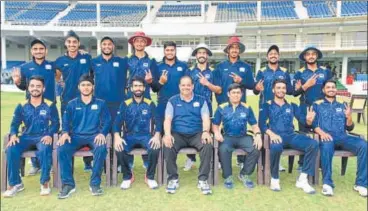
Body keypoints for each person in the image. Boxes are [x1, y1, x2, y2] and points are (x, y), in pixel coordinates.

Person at [307, 79, 367, 197]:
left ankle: (361, 184)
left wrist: (349, 117)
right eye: (328, 87)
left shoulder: (343, 104)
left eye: (333, 87)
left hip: (342, 137)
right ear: (323, 90)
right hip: (326, 137)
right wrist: (321, 133)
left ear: (336, 89)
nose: (331, 89)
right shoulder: (317, 104)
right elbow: (311, 125)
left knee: (364, 145)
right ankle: (327, 184)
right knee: (327, 144)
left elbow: (349, 127)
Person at [3, 76, 60, 197]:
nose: (35, 88)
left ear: (43, 89)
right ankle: (15, 184)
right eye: (32, 86)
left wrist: (49, 135)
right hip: (26, 137)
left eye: (38, 86)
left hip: (42, 136)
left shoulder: (50, 105)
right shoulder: (21, 105)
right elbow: (14, 123)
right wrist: (13, 135)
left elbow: (56, 123)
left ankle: (44, 182)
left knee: (45, 148)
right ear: (28, 88)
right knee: (11, 149)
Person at [259, 79, 318, 194]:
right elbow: (261, 124)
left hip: (291, 136)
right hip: (276, 136)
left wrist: (309, 120)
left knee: (313, 144)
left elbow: (303, 121)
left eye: (283, 88)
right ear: (273, 90)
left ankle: (302, 179)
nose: (281, 90)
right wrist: (272, 134)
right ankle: (275, 178)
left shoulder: (292, 105)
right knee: (275, 147)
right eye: (278, 88)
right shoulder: (267, 105)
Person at [57, 75, 111, 199]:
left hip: (94, 136)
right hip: (75, 136)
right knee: (62, 148)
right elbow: (65, 121)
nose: (86, 88)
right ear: (79, 87)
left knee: (101, 148)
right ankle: (68, 184)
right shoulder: (71, 104)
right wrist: (65, 132)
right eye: (83, 85)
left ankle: (95, 183)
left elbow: (107, 121)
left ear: (93, 87)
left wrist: (102, 133)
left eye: (88, 85)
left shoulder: (100, 103)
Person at [11, 39, 58, 175]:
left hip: (49, 104)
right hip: (32, 105)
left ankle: (48, 162)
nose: (38, 51)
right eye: (35, 49)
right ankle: (35, 164)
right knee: (31, 131)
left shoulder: (52, 65)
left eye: (41, 49)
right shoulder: (25, 67)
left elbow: (61, 73)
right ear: (32, 51)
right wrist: (18, 82)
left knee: (48, 133)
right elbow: (23, 86)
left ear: (46, 51)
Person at [163, 76, 213, 195]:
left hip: (197, 133)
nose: (186, 87)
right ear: (179, 86)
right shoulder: (172, 101)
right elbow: (168, 119)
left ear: (192, 86)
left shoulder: (201, 100)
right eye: (183, 85)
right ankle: (173, 179)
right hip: (178, 134)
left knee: (207, 145)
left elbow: (206, 117)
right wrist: (167, 134)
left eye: (188, 85)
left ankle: (203, 180)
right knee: (168, 145)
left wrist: (206, 131)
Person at [213, 36, 255, 168]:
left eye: (237, 48)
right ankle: (220, 160)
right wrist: (221, 103)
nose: (235, 50)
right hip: (224, 105)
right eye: (232, 47)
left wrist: (241, 81)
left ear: (240, 51)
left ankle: (241, 160)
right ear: (228, 50)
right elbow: (217, 88)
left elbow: (252, 85)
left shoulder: (246, 66)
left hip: (240, 104)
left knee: (240, 130)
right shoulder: (220, 67)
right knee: (222, 132)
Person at [55, 30, 94, 171]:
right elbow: (57, 77)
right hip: (67, 101)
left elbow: (93, 75)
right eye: (69, 42)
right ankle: (68, 163)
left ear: (78, 43)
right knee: (68, 130)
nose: (72, 44)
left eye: (74, 42)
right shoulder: (60, 61)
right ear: (65, 43)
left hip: (86, 100)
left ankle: (88, 161)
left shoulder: (87, 57)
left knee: (87, 127)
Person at [113, 77, 161, 190]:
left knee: (155, 148)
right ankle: (127, 177)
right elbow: (117, 122)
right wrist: (117, 137)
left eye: (140, 86)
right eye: (135, 86)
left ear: (144, 88)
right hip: (129, 136)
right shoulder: (125, 104)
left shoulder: (150, 103)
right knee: (119, 148)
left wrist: (157, 135)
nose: (138, 88)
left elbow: (158, 121)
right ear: (131, 88)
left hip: (146, 136)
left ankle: (149, 177)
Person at [212, 83, 262, 189]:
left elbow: (254, 125)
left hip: (242, 136)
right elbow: (215, 125)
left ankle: (244, 174)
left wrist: (257, 135)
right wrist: (216, 132)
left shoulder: (247, 107)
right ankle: (228, 176)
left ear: (241, 94)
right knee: (223, 149)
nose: (236, 95)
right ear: (228, 94)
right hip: (228, 136)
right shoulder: (222, 107)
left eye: (238, 93)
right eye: (233, 93)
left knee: (255, 148)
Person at [254, 45, 293, 172]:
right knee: (265, 132)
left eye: (275, 53)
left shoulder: (284, 72)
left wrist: (300, 87)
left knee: (279, 131)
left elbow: (291, 90)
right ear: (267, 57)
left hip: (280, 107)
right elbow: (255, 90)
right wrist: (257, 89)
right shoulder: (262, 71)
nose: (273, 55)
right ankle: (264, 162)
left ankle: (277, 160)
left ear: (279, 56)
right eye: (270, 53)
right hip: (265, 106)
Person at [293, 45, 333, 169]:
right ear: (304, 57)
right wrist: (306, 85)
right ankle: (302, 163)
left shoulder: (325, 71)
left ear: (316, 56)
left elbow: (331, 89)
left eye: (313, 54)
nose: (311, 56)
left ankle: (320, 162)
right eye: (308, 54)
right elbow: (294, 92)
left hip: (322, 109)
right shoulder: (300, 73)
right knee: (304, 135)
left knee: (322, 133)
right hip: (305, 107)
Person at [184, 43, 221, 171]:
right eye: (199, 53)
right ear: (196, 55)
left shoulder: (213, 72)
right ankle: (191, 158)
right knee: (191, 131)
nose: (202, 55)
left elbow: (218, 90)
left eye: (204, 53)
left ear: (207, 56)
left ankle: (213, 159)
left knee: (208, 132)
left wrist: (207, 83)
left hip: (207, 108)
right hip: (191, 108)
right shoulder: (189, 71)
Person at [126, 31, 158, 168]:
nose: (139, 43)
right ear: (133, 43)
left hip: (146, 97)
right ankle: (129, 160)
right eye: (137, 41)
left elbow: (155, 83)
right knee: (129, 125)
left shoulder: (151, 61)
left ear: (146, 43)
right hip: (130, 96)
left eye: (142, 41)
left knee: (146, 126)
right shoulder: (127, 60)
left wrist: (150, 82)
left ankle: (146, 159)